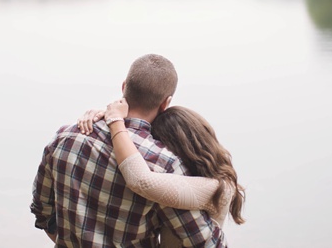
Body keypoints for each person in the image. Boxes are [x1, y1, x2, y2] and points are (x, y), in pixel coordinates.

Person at [31, 54, 227, 247]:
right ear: (166, 103)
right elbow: (202, 241)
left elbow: (44, 214)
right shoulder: (165, 163)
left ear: (124, 86)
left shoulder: (65, 137)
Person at [77, 100, 245, 247]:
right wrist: (100, 116)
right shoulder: (209, 180)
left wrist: (115, 121)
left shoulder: (215, 187)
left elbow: (141, 181)